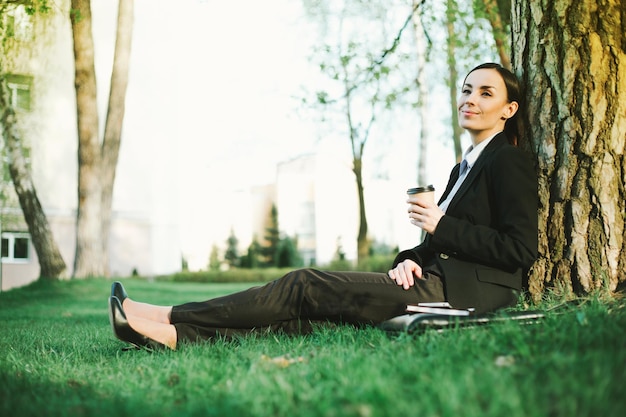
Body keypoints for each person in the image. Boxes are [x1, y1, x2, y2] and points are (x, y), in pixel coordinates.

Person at [108, 63, 538, 350]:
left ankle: (166, 312)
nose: (471, 99)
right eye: (467, 90)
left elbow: (518, 249)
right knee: (306, 320)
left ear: (508, 109)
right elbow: (443, 244)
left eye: (485, 93)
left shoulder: (508, 160)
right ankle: (174, 335)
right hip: (432, 282)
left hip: (465, 297)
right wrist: (409, 257)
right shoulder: (462, 167)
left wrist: (441, 224)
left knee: (305, 284)